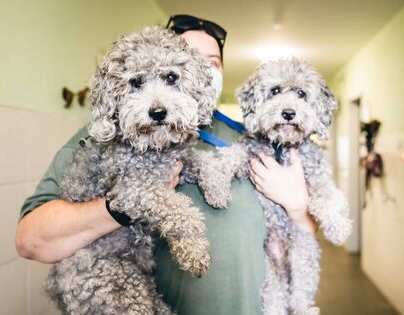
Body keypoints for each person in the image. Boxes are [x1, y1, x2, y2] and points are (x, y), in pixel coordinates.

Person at [16, 14, 317, 315]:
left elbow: (299, 242)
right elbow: (30, 241)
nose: (202, 70)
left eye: (211, 62)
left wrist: (299, 209)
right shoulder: (111, 135)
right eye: (189, 57)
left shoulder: (256, 139)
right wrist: (118, 208)